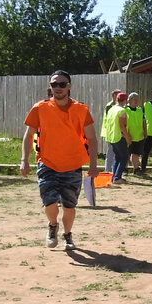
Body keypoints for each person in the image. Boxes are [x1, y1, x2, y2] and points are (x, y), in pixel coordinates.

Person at [20, 71, 99, 251]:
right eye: (54, 84)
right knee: (49, 202)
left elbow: (92, 139)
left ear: (69, 86)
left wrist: (93, 165)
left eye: (62, 84)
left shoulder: (81, 110)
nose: (58, 88)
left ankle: (67, 234)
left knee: (69, 206)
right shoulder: (40, 108)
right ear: (50, 87)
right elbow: (28, 134)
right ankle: (53, 225)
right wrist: (24, 160)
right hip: (47, 163)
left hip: (72, 165)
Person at [101, 92, 133, 184]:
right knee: (124, 157)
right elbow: (122, 126)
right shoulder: (121, 111)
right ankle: (117, 177)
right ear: (124, 101)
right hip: (119, 136)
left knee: (118, 157)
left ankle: (114, 176)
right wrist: (128, 137)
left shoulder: (112, 109)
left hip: (111, 136)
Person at [125, 92, 146, 175]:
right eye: (134, 99)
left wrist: (145, 131)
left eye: (138, 99)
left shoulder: (140, 109)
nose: (137, 101)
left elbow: (144, 121)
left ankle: (136, 169)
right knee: (126, 154)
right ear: (129, 100)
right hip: (128, 136)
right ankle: (124, 169)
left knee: (136, 153)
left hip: (139, 136)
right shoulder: (125, 109)